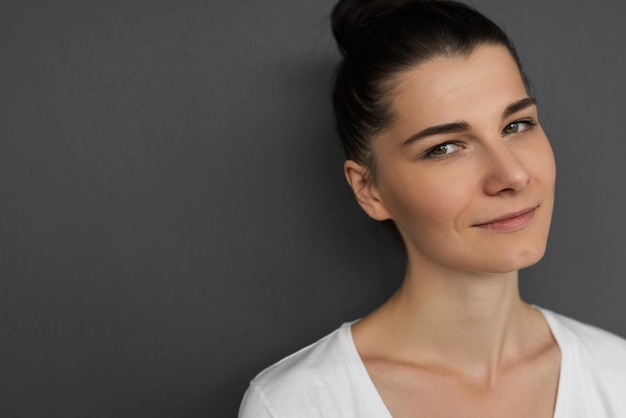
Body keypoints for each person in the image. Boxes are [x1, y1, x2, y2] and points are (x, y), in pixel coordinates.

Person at [239, 0, 626, 416]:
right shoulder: (296, 405)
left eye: (516, 125)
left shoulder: (616, 376)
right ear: (369, 189)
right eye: (445, 147)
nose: (512, 176)